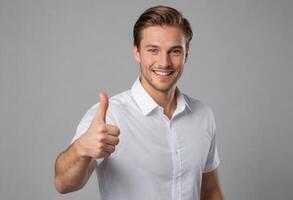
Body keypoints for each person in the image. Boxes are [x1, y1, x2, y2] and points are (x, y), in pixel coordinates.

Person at [55, 5, 224, 200]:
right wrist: (80, 149)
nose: (164, 62)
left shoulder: (203, 115)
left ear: (187, 53)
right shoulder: (110, 116)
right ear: (137, 52)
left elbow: (211, 192)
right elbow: (63, 183)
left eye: (175, 51)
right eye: (153, 50)